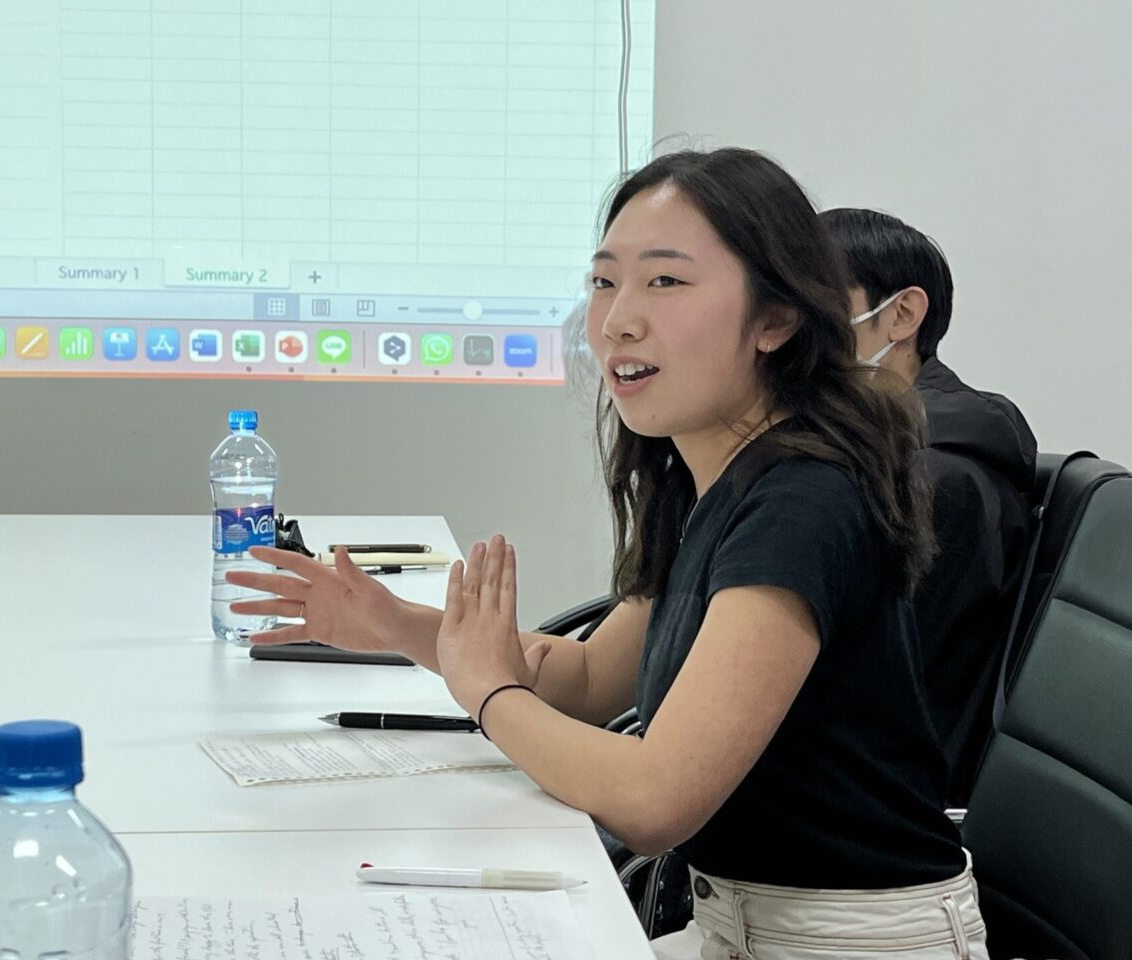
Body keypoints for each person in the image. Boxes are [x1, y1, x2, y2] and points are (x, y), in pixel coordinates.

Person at [227, 149, 988, 959]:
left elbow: (656, 800)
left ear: (776, 320)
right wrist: (393, 624)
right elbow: (590, 681)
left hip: (857, 945)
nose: (618, 319)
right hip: (741, 926)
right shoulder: (709, 481)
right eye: (603, 281)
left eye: (665, 281)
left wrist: (489, 694)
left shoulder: (804, 502)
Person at [820, 208, 1038, 806]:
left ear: (902, 314)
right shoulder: (869, 451)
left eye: (817, 301)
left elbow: (876, 686)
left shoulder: (940, 479)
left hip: (874, 801)